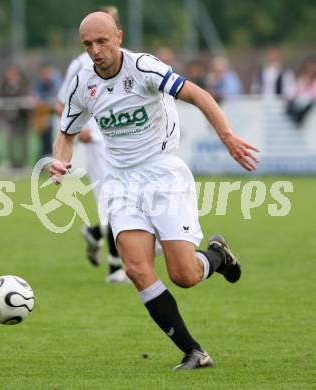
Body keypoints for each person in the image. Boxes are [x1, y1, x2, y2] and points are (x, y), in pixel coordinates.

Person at [50, 12, 259, 370]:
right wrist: (60, 161)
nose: (95, 51)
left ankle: (217, 256)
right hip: (121, 182)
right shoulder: (83, 84)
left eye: (102, 41)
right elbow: (66, 133)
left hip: (162, 174)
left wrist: (227, 137)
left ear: (119, 35)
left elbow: (197, 94)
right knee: (136, 268)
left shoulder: (144, 68)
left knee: (184, 275)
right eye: (88, 45)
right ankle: (194, 351)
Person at [56, 5, 128, 283]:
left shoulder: (127, 61)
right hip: (98, 143)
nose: (96, 47)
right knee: (112, 203)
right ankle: (114, 268)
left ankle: (96, 233)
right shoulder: (81, 64)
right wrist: (82, 129)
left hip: (126, 144)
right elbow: (61, 103)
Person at [0, 65, 31, 169]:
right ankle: (11, 162)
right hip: (9, 117)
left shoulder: (23, 85)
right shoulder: (4, 85)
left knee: (23, 140)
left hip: (22, 117)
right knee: (9, 140)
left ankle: (23, 163)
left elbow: (26, 97)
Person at [33, 64, 62, 159]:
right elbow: (37, 99)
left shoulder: (55, 83)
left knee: (52, 140)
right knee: (44, 140)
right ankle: (43, 160)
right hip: (43, 116)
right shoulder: (38, 85)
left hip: (55, 116)